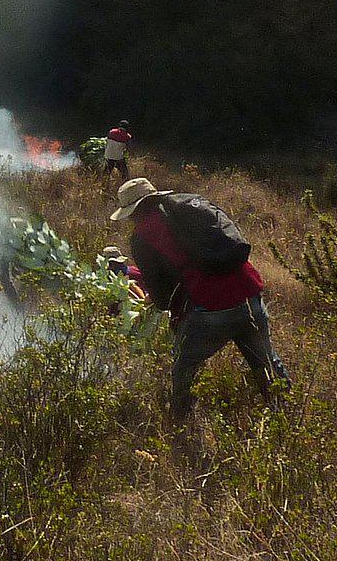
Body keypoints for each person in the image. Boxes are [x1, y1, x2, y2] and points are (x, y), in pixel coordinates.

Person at [110, 178, 290, 419]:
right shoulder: (189, 206)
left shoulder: (143, 235)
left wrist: (161, 303)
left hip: (210, 306)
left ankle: (181, 428)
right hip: (249, 293)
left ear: (134, 211)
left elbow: (163, 297)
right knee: (266, 362)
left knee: (184, 369)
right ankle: (286, 416)